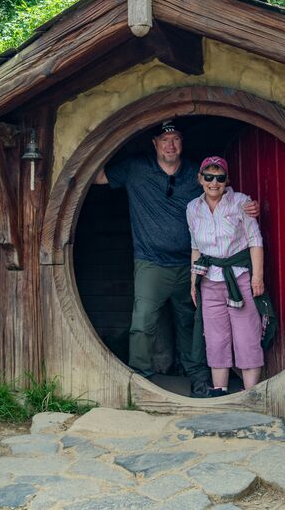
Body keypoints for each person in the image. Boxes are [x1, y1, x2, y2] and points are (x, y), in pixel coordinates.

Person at [94, 121, 258, 397]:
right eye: (164, 139)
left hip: (190, 264)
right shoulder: (136, 169)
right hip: (151, 263)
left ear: (182, 142)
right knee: (142, 322)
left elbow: (220, 191)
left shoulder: (196, 173)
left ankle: (198, 379)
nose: (170, 145)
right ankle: (140, 381)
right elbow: (96, 176)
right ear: (154, 143)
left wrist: (246, 205)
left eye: (176, 139)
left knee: (191, 324)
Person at [187, 156, 265, 395]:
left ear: (226, 180)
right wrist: (193, 281)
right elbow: (195, 247)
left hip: (238, 277)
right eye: (209, 177)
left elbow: (255, 241)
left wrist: (257, 277)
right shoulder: (192, 208)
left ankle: (250, 394)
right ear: (200, 179)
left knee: (247, 334)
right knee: (215, 337)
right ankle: (219, 391)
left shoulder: (241, 202)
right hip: (209, 280)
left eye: (219, 178)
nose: (214, 183)